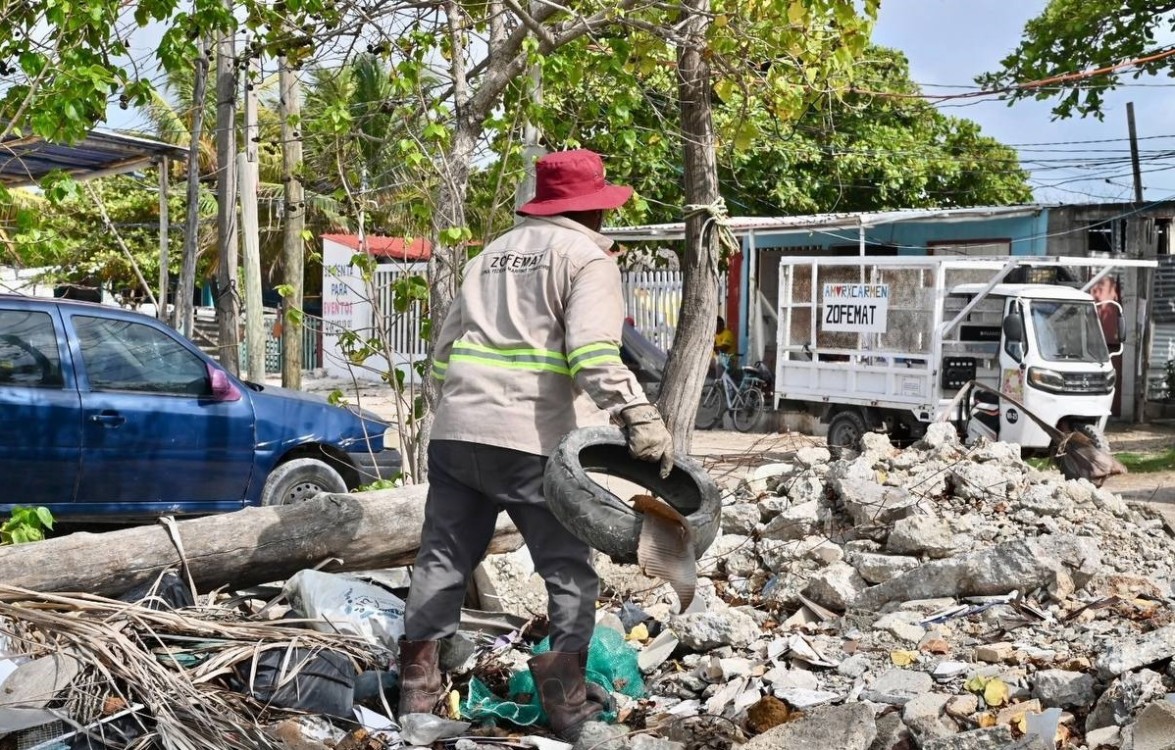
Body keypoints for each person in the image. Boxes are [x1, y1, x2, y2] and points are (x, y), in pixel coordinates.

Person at [397, 149, 674, 742]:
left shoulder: (490, 254)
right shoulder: (587, 258)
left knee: (442, 560)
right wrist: (638, 414)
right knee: (570, 572)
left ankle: (417, 695)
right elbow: (595, 353)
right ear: (594, 210)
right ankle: (568, 706)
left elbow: (444, 354)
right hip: (529, 440)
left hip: (456, 433)